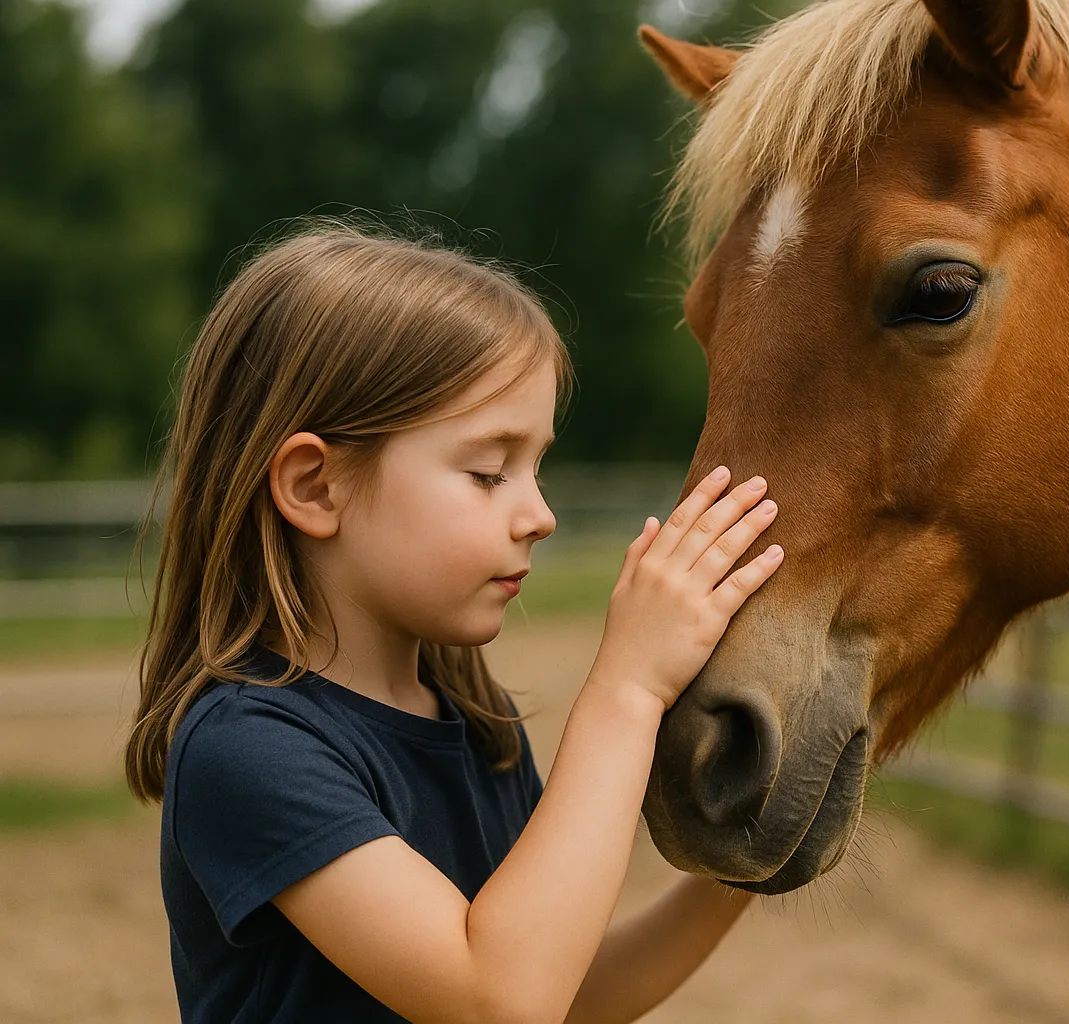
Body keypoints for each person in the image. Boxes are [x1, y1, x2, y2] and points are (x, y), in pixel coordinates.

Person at [125, 226, 783, 1023]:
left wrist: (742, 866)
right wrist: (630, 687)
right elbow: (497, 999)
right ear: (316, 487)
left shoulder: (478, 726)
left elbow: (562, 993)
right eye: (487, 472)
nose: (539, 515)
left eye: (536, 466)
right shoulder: (248, 747)